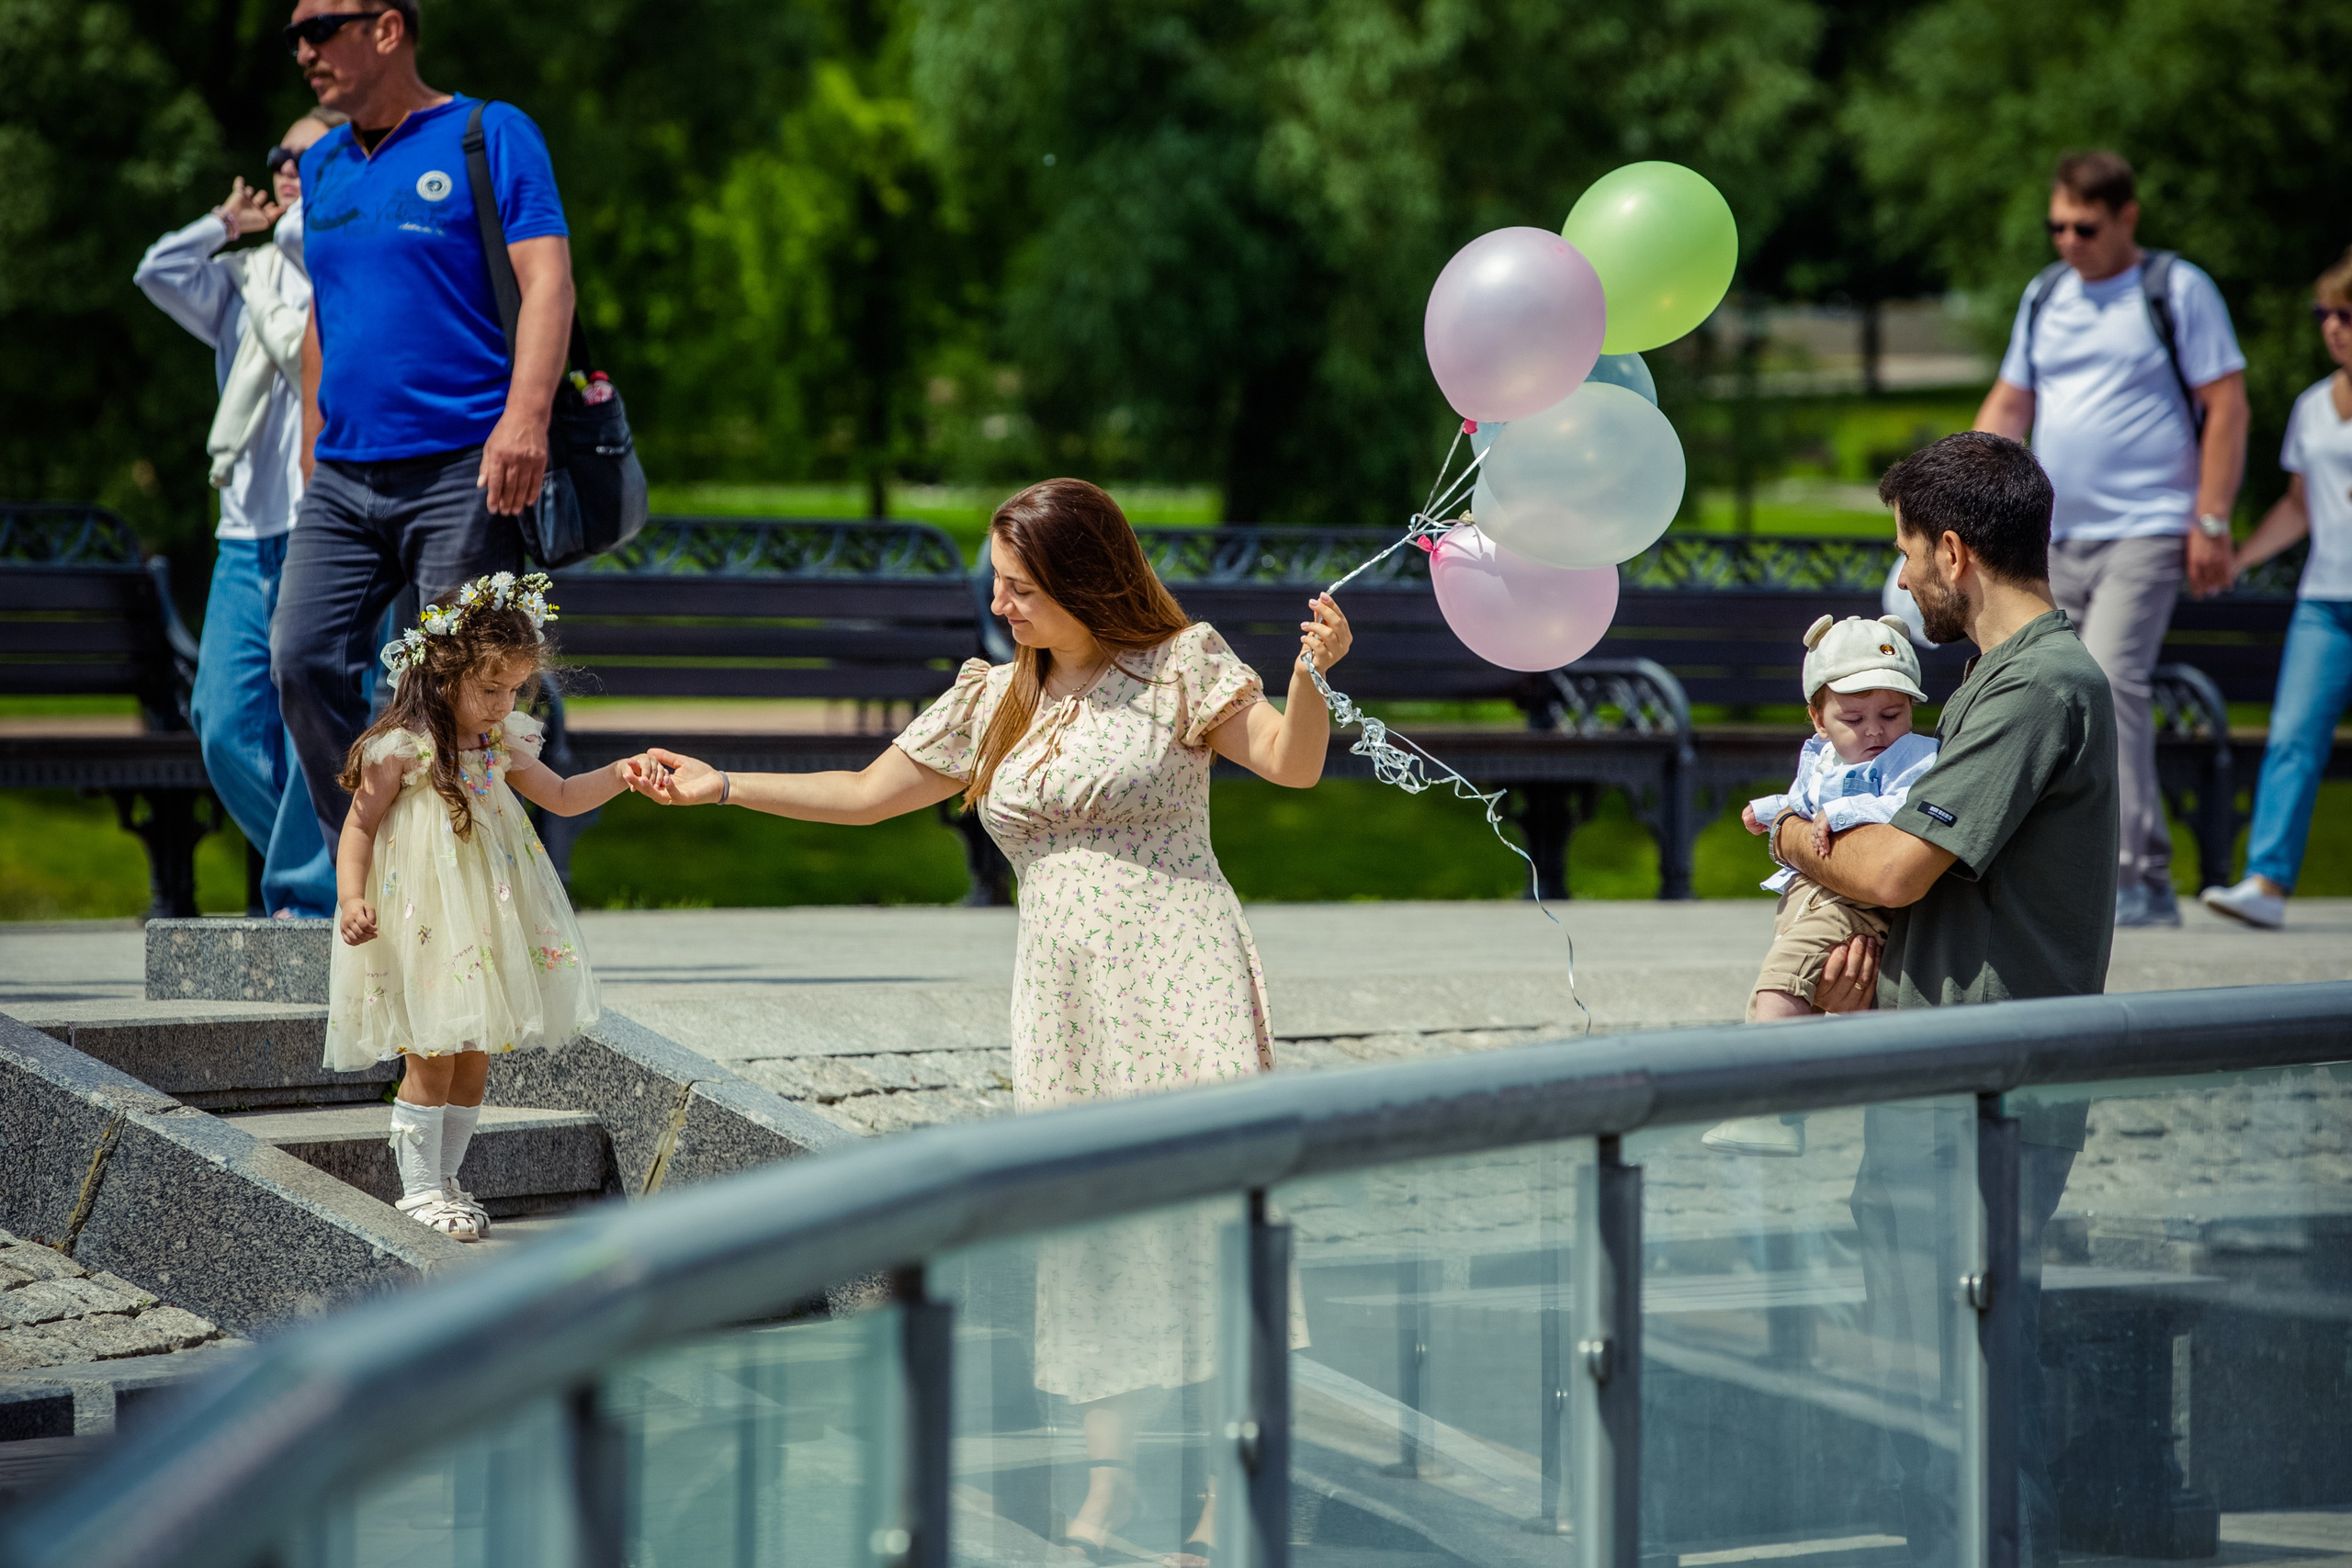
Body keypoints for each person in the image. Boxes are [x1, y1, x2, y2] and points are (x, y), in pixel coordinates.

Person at [634, 478, 1349, 1562]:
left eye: (1020, 587)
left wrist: (1310, 678)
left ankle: (1225, 1472)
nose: (1002, 604)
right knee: (1089, 1223)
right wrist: (723, 784)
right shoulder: (994, 698)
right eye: (998, 585)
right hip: (1061, 991)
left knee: (1205, 1212)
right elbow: (867, 793)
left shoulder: (1180, 666)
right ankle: (1110, 1480)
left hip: (1180, 966)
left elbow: (1292, 766)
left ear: (1081, 580)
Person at [1771, 432, 2116, 1568]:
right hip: (1939, 1071)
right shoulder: (1994, 685)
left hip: (1989, 1094)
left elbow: (1888, 871)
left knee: (1962, 1374)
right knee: (1926, 1366)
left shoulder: (2038, 689)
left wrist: (1784, 833)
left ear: (1954, 552)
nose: (1903, 578)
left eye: (1906, 553)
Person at [275, 0, 576, 864]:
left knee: (457, 690)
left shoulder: (491, 134)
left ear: (387, 27)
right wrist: (310, 448)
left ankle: (463, 881)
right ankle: (371, 864)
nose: (303, 50)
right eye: (295, 34)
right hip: (343, 472)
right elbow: (321, 323)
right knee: (302, 659)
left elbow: (547, 283)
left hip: (464, 467)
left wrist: (525, 416)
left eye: (320, 27)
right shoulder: (326, 162)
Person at [1974, 150, 2249, 927]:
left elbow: (2226, 405)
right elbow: (2010, 401)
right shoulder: (2046, 294)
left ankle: (2140, 875)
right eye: (2056, 225)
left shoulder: (2176, 289)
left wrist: (2212, 517)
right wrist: (1960, 496)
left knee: (2110, 679)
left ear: (2127, 217)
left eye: (2084, 227)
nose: (2068, 240)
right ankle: (2053, 864)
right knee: (2037, 685)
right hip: (2053, 535)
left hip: (2149, 525)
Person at [324, 572, 639, 1241]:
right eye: (490, 688)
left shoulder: (501, 743)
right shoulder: (401, 749)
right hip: (426, 925)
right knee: (432, 1053)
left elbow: (560, 795)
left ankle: (445, 1179)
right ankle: (417, 1190)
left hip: (486, 920)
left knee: (474, 1057)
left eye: (515, 690)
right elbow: (359, 826)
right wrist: (351, 896)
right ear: (444, 674)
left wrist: (620, 773)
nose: (503, 703)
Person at [132, 110, 347, 917]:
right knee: (222, 726)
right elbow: (157, 271)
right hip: (244, 535)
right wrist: (227, 223)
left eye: (307, 156)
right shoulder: (245, 277)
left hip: (323, 531)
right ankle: (355, 862)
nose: (286, 167)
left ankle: (312, 898)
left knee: (312, 725)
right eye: (278, 156)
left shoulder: (343, 271)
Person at [1705, 614, 1938, 1157]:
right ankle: (1782, 1110)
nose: (1875, 730)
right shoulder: (1823, 757)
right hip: (1811, 892)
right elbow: (1802, 804)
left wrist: (1848, 810)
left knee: (1781, 983)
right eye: (1853, 717)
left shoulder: (1914, 756)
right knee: (1786, 990)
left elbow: (1906, 806)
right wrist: (1770, 811)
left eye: (1892, 713)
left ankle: (1765, 1107)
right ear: (1818, 717)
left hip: (1853, 900)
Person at [2202, 248, 2352, 930]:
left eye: (2346, 314)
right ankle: (2266, 881)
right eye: (2326, 313)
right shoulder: (2313, 405)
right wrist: (2239, 556)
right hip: (2325, 599)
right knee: (2293, 735)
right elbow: (2300, 503)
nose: (2333, 327)